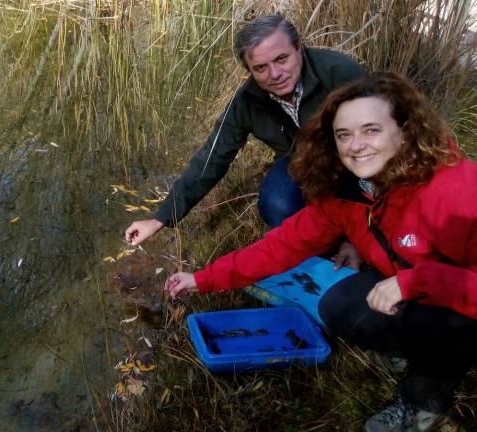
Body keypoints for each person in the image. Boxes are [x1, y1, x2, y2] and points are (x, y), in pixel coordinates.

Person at [164, 72, 477, 431]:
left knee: (431, 322)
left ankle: (425, 400)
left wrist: (415, 281)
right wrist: (201, 279)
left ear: (405, 131)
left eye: (371, 130)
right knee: (337, 305)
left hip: (461, 305)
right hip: (419, 289)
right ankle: (414, 350)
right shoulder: (350, 194)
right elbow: (278, 249)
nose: (355, 145)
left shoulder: (456, 189)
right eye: (344, 134)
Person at [124, 14, 365, 252]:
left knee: (364, 194)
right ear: (249, 69)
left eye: (281, 59)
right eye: (260, 68)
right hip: (301, 161)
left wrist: (355, 237)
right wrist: (161, 218)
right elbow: (212, 158)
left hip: (355, 163)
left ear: (299, 48)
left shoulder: (340, 74)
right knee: (276, 203)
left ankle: (354, 239)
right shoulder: (246, 102)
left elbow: (381, 145)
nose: (275, 74)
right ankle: (317, 248)